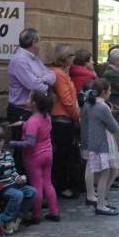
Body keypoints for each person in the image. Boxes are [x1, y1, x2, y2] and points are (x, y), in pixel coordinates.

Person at [7, 28, 56, 174]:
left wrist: (44, 79)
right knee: (24, 150)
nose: (40, 43)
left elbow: (52, 75)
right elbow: (35, 86)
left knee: (37, 149)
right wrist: (44, 81)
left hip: (35, 111)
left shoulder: (34, 58)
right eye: (39, 40)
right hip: (22, 111)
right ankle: (24, 182)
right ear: (34, 42)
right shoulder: (20, 60)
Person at [11, 90, 59, 223]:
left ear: (34, 104)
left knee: (36, 185)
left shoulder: (33, 121)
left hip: (34, 157)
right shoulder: (46, 116)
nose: (26, 101)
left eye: (29, 98)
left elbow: (29, 143)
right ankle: (54, 212)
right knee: (48, 183)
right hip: (47, 154)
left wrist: (13, 143)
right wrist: (24, 124)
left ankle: (36, 215)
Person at [0, 124, 37, 234]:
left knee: (32, 192)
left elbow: (13, 171)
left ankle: (15, 218)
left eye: (0, 140)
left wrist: (19, 178)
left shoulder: (7, 154)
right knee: (17, 194)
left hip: (10, 185)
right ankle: (4, 218)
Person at [80, 78, 119, 216]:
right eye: (109, 91)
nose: (110, 93)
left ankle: (96, 198)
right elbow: (114, 127)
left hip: (92, 143)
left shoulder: (88, 104)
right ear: (103, 92)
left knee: (99, 171)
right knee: (106, 173)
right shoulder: (102, 107)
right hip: (102, 143)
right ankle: (101, 204)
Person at [49, 44, 82, 199]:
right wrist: (76, 116)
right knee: (63, 155)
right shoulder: (59, 74)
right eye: (72, 55)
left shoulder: (63, 73)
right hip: (62, 119)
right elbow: (67, 100)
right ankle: (61, 186)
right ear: (66, 57)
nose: (74, 58)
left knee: (65, 154)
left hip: (64, 117)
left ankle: (63, 185)